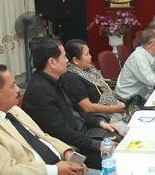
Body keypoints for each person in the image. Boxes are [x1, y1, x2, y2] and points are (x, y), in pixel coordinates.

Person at [23, 37, 124, 170]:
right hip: (73, 148)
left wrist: (100, 123)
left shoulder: (58, 79)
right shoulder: (39, 92)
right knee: (121, 156)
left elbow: (78, 111)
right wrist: (96, 144)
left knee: (124, 137)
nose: (67, 61)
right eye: (64, 57)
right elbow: (61, 133)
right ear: (52, 62)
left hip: (84, 134)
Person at [0, 64, 84, 175]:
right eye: (13, 85)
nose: (18, 89)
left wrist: (66, 152)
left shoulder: (13, 110)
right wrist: (55, 170)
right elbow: (7, 171)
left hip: (61, 165)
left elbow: (43, 137)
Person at [60, 39, 126, 117]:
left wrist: (117, 102)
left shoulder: (89, 69)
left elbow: (104, 89)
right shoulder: (71, 78)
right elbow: (88, 107)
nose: (90, 57)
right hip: (100, 117)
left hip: (111, 107)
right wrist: (114, 108)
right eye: (87, 54)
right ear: (75, 60)